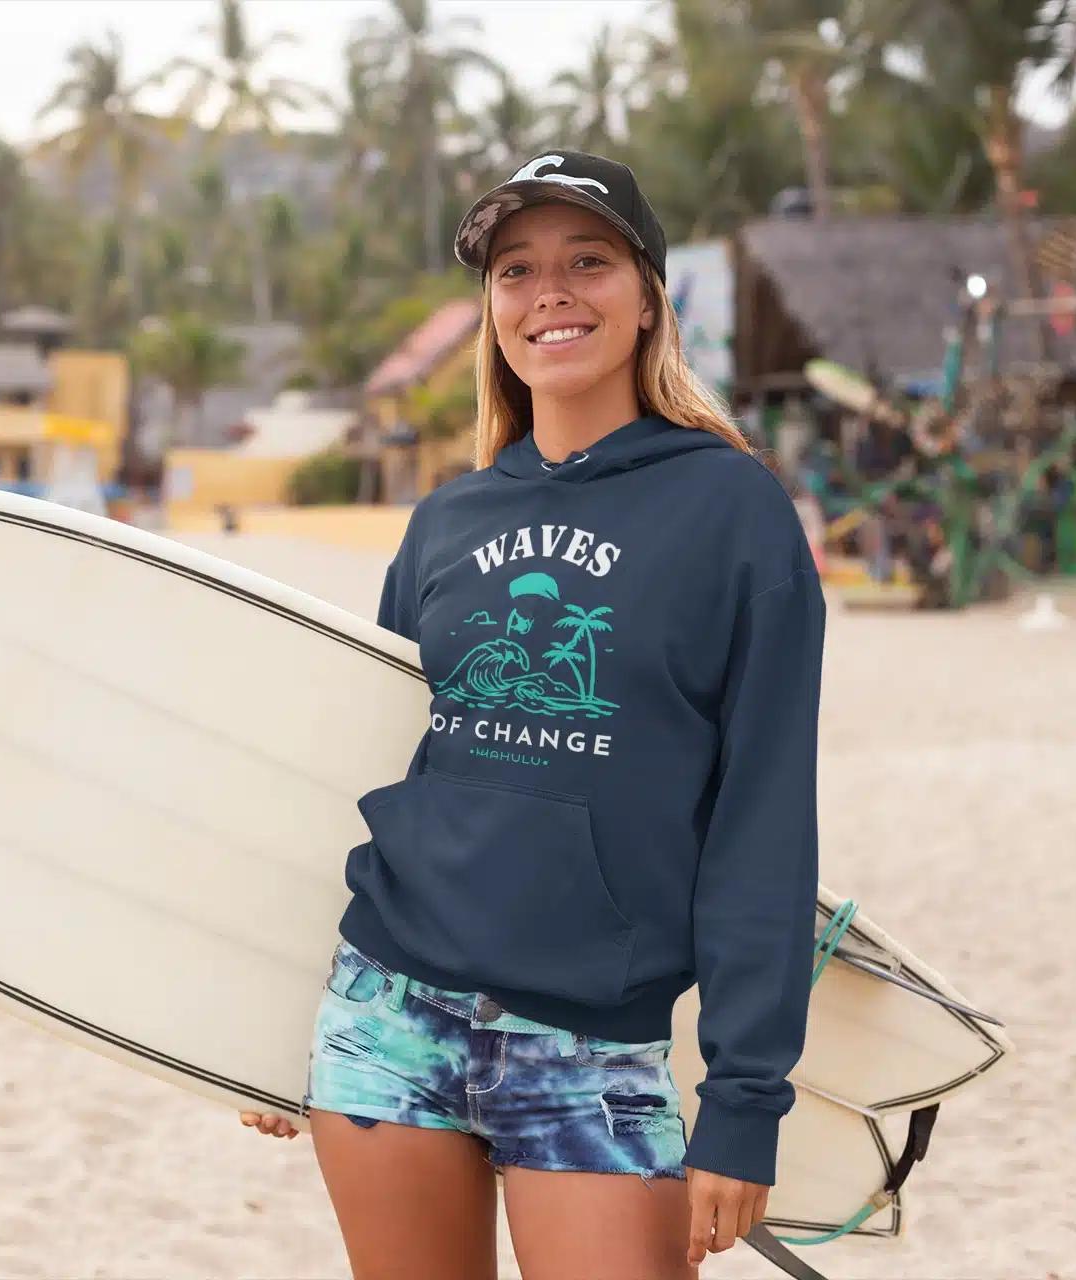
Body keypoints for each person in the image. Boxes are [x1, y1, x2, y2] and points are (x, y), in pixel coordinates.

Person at [240, 150, 824, 1279]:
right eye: (516, 271)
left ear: (648, 293)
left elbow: (762, 816)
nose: (549, 293)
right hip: (386, 1014)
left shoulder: (734, 510)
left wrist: (745, 1101)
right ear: (492, 309)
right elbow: (370, 773)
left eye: (587, 261)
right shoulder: (447, 519)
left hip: (592, 1043)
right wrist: (262, 1015)